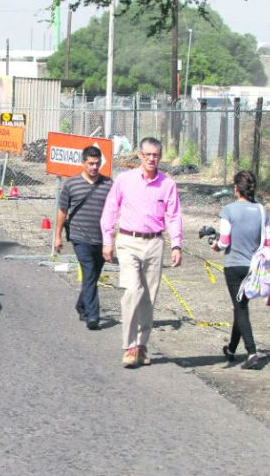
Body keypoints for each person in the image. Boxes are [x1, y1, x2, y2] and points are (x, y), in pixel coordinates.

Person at [100, 137, 182, 368]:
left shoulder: (167, 184)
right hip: (128, 240)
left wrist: (177, 244)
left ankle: (141, 345)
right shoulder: (125, 180)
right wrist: (107, 241)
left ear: (160, 157)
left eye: (155, 155)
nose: (151, 159)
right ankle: (128, 346)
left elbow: (174, 215)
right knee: (132, 290)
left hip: (155, 242)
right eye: (147, 154)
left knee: (148, 297)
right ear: (139, 155)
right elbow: (110, 209)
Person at [211, 170, 270, 369]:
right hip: (254, 268)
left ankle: (252, 352)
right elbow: (269, 243)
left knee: (241, 308)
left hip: (234, 266)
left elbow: (224, 240)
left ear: (236, 189)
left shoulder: (228, 210)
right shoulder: (262, 211)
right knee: (241, 305)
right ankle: (231, 349)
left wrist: (215, 245)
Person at [54, 146, 113, 330]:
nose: (94, 168)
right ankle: (93, 316)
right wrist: (57, 236)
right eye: (90, 164)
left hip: (101, 240)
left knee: (93, 276)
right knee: (88, 273)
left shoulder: (109, 185)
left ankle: (81, 305)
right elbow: (62, 211)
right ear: (83, 163)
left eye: (97, 164)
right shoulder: (71, 185)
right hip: (80, 237)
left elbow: (116, 209)